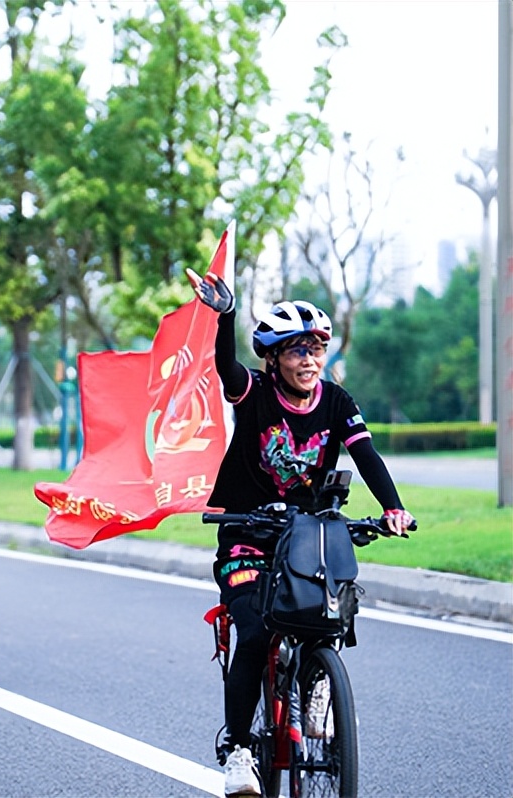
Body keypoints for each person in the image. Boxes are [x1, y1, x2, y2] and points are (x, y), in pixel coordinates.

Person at [185, 268, 416, 797]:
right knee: (256, 630)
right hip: (246, 534)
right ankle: (240, 751)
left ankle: (315, 681)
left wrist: (394, 508)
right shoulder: (255, 391)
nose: (308, 360)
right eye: (295, 351)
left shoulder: (336, 401)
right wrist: (225, 316)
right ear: (274, 359)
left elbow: (366, 456)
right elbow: (225, 368)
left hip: (309, 535)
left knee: (328, 617)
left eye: (315, 349)